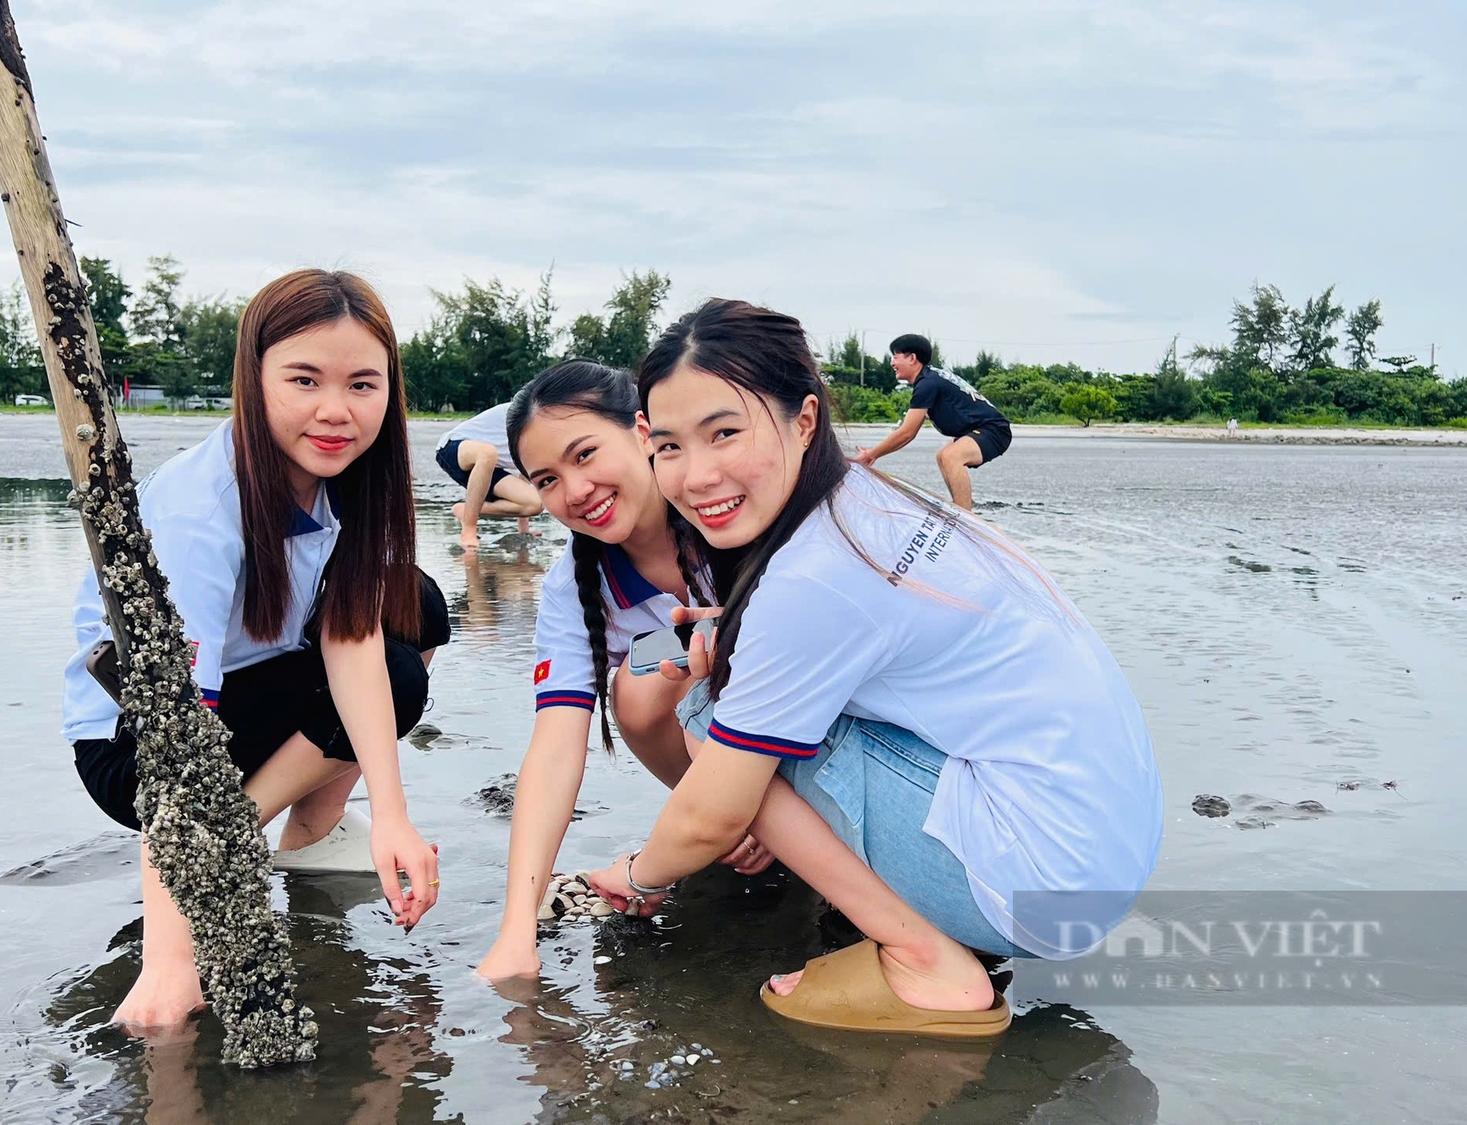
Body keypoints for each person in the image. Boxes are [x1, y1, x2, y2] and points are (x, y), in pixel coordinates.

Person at [584, 299, 1162, 1037]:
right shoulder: (870, 502)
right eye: (670, 446)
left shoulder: (809, 576)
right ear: (645, 442)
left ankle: (925, 956)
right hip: (1111, 846)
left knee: (708, 703)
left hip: (1041, 886)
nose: (697, 475)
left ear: (804, 420)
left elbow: (711, 813)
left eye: (726, 432)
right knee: (742, 691)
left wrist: (638, 875)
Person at [61, 269, 450, 1030]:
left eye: (363, 384)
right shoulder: (202, 512)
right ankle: (229, 844)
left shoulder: (344, 482)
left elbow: (353, 636)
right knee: (396, 671)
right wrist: (170, 961)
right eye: (304, 379)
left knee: (415, 613)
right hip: (132, 744)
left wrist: (395, 816)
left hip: (239, 706)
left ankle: (304, 833)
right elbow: (175, 738)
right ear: (254, 375)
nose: (335, 411)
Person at [476, 360, 770, 981]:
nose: (575, 491)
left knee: (698, 642)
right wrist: (516, 930)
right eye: (547, 479)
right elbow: (555, 749)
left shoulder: (729, 511)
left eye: (585, 455)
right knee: (637, 685)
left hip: (824, 731)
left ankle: (761, 814)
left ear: (642, 432)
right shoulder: (572, 588)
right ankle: (736, 823)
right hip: (728, 762)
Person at [853, 334, 1011, 510]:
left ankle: (966, 516)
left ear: (912, 358)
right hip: (983, 428)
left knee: (951, 456)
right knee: (943, 455)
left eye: (895, 357)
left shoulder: (927, 383)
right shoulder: (929, 378)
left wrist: (871, 454)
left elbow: (907, 433)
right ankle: (960, 507)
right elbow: (907, 430)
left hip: (994, 430)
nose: (892, 363)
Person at [436, 401, 543, 549]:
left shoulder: (543, 440)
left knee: (536, 504)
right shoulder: (527, 411)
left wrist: (523, 531)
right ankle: (469, 529)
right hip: (454, 449)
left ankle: (465, 510)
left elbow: (525, 474)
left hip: (490, 467)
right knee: (488, 453)